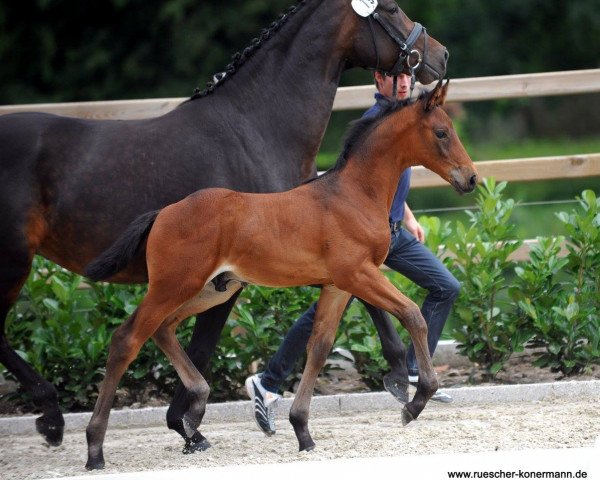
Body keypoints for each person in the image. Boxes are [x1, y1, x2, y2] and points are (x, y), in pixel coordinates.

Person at [245, 71, 460, 436]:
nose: (404, 81)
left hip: (392, 233)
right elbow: (347, 178)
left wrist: (407, 215)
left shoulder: (412, 116)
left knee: (446, 286)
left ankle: (410, 367)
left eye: (408, 75)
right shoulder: (378, 121)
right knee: (327, 309)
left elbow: (396, 174)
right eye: (394, 76)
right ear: (378, 79)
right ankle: (268, 381)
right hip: (360, 235)